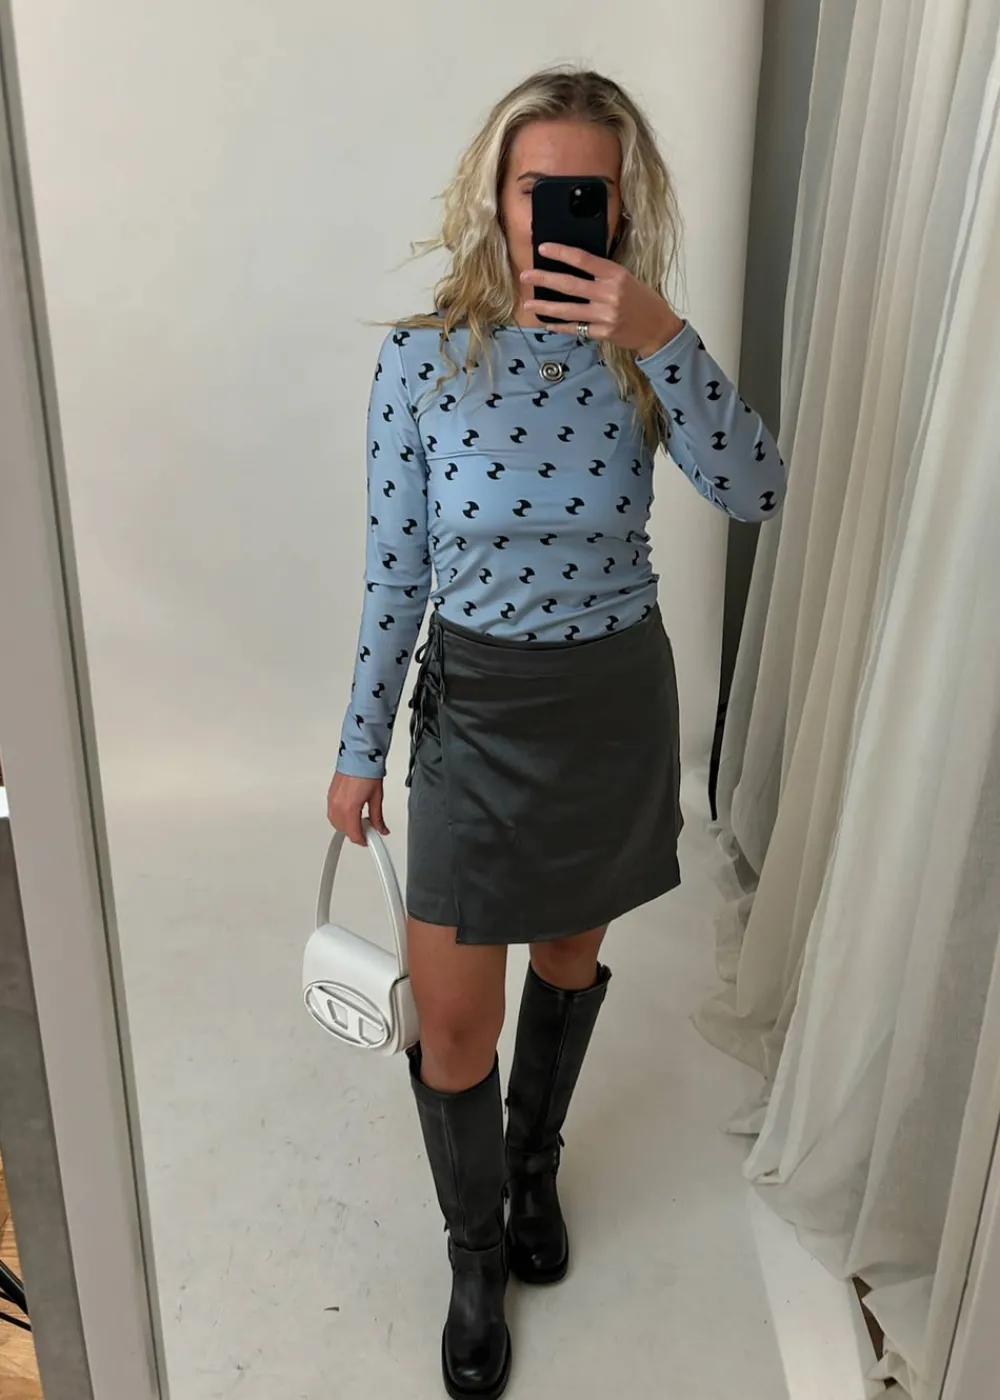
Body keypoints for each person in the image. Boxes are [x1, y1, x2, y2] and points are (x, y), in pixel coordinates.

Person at [328, 65, 785, 1400]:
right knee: (452, 1022)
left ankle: (532, 1173)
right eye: (542, 187)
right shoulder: (421, 361)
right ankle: (475, 1256)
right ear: (500, 194)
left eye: (594, 189)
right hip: (476, 716)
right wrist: (359, 747)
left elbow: (757, 487)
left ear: (624, 206)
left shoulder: (642, 350)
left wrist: (664, 334)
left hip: (608, 710)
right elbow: (395, 571)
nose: (565, 211)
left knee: (569, 957)